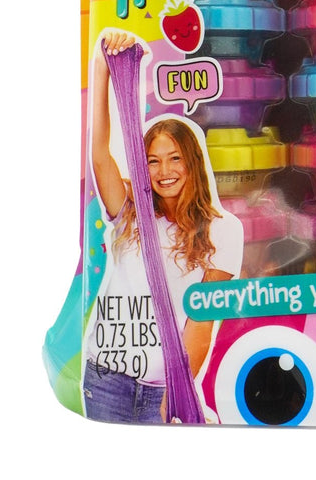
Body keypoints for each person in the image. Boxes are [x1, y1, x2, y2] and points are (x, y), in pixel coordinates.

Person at [83, 29, 243, 423]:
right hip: (105, 380)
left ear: (192, 162)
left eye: (174, 158)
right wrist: (102, 67)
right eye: (152, 161)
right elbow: (100, 156)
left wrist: (177, 396)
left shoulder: (222, 231)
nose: (164, 171)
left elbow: (201, 324)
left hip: (164, 391)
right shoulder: (131, 211)